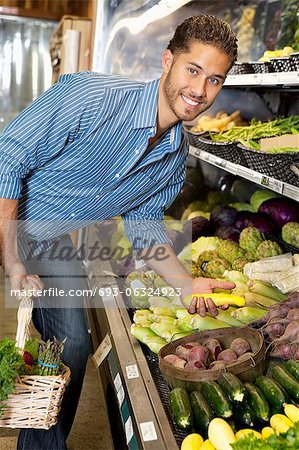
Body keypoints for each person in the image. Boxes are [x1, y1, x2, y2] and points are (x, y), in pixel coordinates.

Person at [0, 15, 238, 450]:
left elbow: (144, 224)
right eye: (193, 69)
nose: (200, 91)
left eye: (215, 79)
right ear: (168, 61)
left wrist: (185, 285)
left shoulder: (173, 155)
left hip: (46, 234)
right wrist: (11, 258)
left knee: (71, 342)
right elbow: (7, 159)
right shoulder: (88, 97)